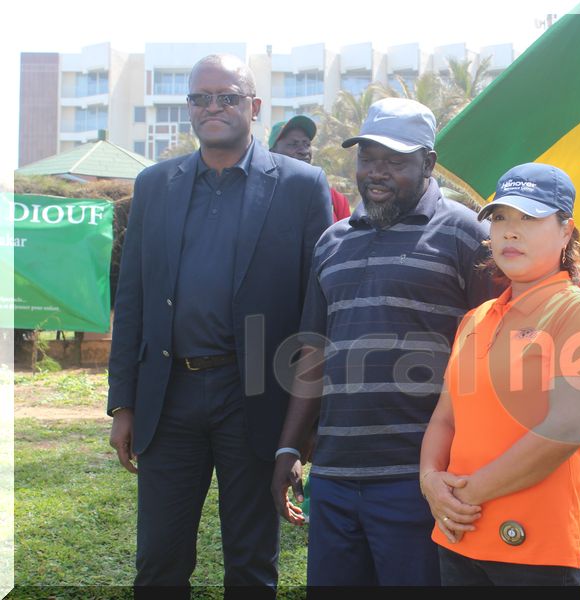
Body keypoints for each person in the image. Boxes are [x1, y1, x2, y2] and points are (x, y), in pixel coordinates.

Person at [106, 54, 333, 597]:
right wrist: (123, 403)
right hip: (169, 394)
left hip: (254, 393)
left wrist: (304, 422)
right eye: (200, 97)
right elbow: (133, 297)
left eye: (227, 97)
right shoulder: (155, 185)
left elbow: (317, 308)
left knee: (252, 563)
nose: (213, 107)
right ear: (188, 107)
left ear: (253, 107)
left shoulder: (302, 185)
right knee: (158, 561)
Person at [270, 97, 495, 586]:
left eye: (395, 161)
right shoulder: (333, 241)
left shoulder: (467, 234)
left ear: (428, 163)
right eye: (368, 158)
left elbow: (497, 352)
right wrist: (288, 448)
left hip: (420, 478)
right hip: (332, 476)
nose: (377, 172)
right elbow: (313, 351)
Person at [419, 163, 580, 593]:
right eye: (500, 218)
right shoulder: (474, 318)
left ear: (566, 231)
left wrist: (464, 496)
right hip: (459, 539)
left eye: (529, 218)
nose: (510, 232)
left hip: (536, 549)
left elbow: (565, 430)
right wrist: (429, 480)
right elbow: (445, 418)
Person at [269, 114, 351, 222]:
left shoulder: (336, 200)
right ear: (273, 153)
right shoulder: (262, 196)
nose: (304, 151)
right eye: (294, 144)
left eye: (307, 144)